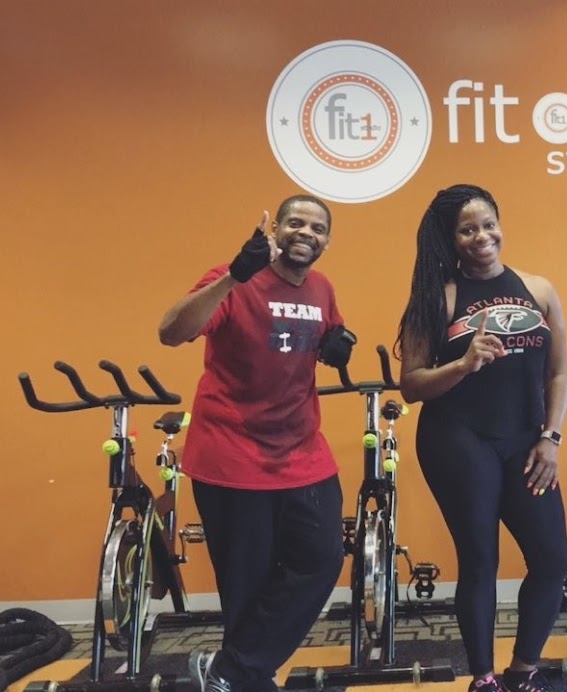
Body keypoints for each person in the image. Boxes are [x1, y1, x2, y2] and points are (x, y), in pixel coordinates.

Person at [158, 194, 356, 692]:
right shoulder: (233, 278)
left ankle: (230, 671)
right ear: (276, 231)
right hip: (232, 454)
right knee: (246, 586)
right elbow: (171, 331)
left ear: (327, 240)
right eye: (296, 223)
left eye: (317, 228)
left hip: (302, 452)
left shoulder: (322, 287)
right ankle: (247, 678)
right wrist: (233, 277)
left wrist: (337, 342)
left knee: (322, 558)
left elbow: (326, 333)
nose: (305, 233)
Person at [395, 184, 567, 692]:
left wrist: (551, 438)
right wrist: (463, 364)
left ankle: (523, 670)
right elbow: (411, 385)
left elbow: (557, 374)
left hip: (526, 439)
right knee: (480, 560)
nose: (482, 236)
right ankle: (484, 678)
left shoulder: (539, 289)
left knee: (552, 560)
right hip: (457, 439)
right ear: (450, 239)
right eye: (467, 230)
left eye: (488, 224)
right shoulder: (438, 297)